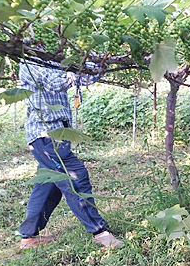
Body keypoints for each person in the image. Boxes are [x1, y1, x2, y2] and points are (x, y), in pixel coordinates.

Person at [17, 54, 124, 249]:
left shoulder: (55, 59)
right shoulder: (30, 60)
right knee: (75, 177)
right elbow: (56, 82)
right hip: (46, 135)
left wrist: (100, 63)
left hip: (57, 134)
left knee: (47, 186)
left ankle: (28, 236)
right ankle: (99, 231)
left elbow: (86, 77)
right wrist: (77, 68)